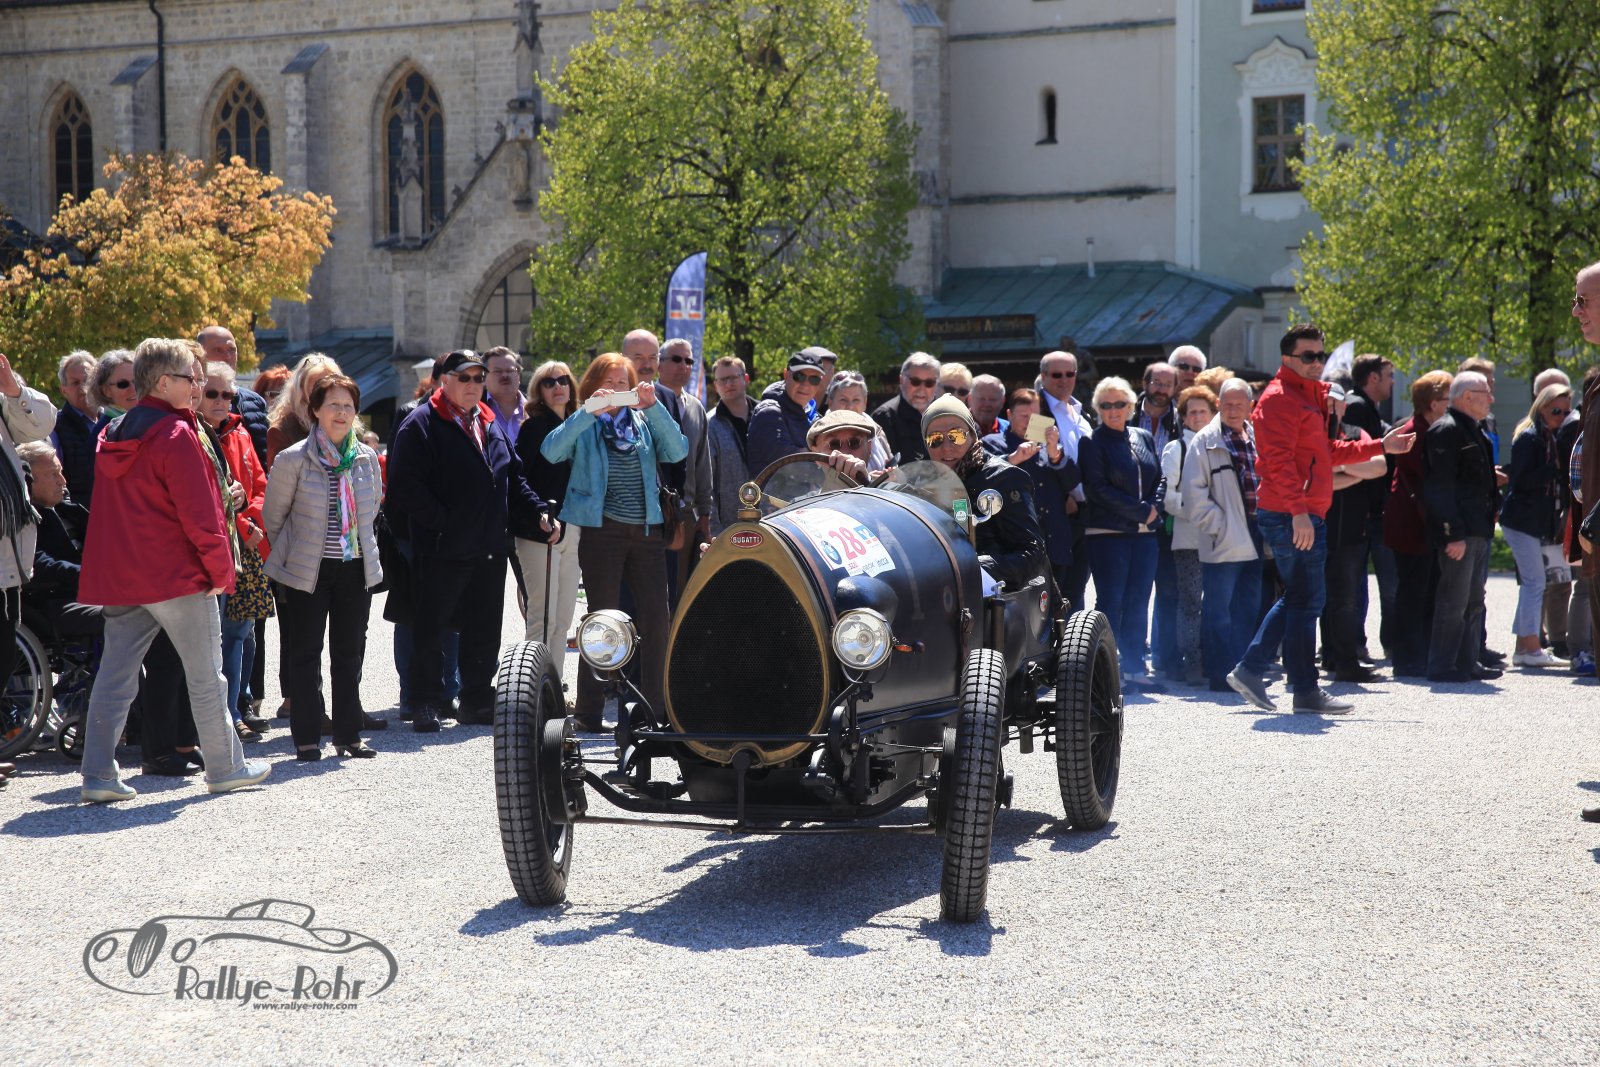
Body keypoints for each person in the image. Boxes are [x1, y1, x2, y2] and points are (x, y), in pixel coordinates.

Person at [78, 337, 270, 802]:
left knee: (115, 676)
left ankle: (97, 775)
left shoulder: (115, 431)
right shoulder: (177, 433)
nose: (198, 386)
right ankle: (226, 768)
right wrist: (221, 571)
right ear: (164, 382)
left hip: (125, 576)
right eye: (191, 378)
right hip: (178, 576)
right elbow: (201, 516)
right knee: (206, 676)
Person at [1225, 324, 1414, 715]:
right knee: (1305, 599)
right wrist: (1299, 512)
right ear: (1287, 358)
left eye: (1320, 355)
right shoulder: (1279, 399)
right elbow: (1277, 462)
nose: (1316, 362)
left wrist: (1382, 445)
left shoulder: (1308, 395)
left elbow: (1326, 451)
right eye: (1308, 356)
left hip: (1303, 511)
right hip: (1291, 513)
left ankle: (1271, 677)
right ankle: (1289, 684)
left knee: (1302, 598)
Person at [387, 349, 553, 732]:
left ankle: (476, 699)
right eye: (464, 377)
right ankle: (425, 701)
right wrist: (444, 523)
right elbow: (404, 486)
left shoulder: (488, 421)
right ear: (444, 381)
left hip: (489, 546)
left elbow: (514, 477)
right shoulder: (421, 422)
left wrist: (538, 511)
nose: (473, 384)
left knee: (484, 627)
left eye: (479, 378)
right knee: (431, 628)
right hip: (441, 547)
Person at [541, 352, 687, 732]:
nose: (617, 389)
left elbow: (677, 450)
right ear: (593, 386)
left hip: (646, 531)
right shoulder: (586, 421)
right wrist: (587, 411)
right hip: (601, 531)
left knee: (657, 619)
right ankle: (589, 712)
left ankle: (656, 712)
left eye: (623, 383)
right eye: (609, 382)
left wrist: (653, 407)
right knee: (601, 618)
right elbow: (551, 451)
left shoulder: (642, 421)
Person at [263, 373, 385, 760]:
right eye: (333, 404)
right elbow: (274, 517)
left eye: (348, 406)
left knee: (348, 655)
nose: (341, 412)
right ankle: (307, 737)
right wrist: (298, 549)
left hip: (354, 567)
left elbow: (371, 510)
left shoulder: (366, 458)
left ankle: (348, 735)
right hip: (307, 570)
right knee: (305, 654)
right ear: (315, 410)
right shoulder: (293, 458)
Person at [199, 361, 274, 741]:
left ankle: (238, 707)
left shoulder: (240, 430)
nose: (220, 400)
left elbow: (259, 484)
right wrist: (245, 527)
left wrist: (252, 524)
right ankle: (225, 716)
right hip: (221, 545)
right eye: (212, 393)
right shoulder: (195, 435)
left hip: (246, 547)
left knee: (244, 634)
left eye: (227, 394)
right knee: (223, 636)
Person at [1079, 376, 1163, 690]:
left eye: (1120, 404)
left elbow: (1160, 478)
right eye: (1106, 405)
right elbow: (1097, 488)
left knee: (1139, 600)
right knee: (1111, 601)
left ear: (1130, 406)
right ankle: (1107, 670)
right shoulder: (1091, 441)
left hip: (1145, 535)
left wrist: (1155, 508)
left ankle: (1135, 668)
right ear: (1097, 409)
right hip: (1107, 534)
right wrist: (1142, 511)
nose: (1113, 410)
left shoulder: (1143, 436)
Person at [1180, 378, 1262, 693]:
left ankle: (1243, 673)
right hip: (1225, 536)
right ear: (1218, 404)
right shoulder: (1205, 441)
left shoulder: (1255, 435)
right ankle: (1220, 675)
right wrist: (1222, 527)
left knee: (1248, 607)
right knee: (1219, 610)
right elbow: (1194, 497)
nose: (1233, 410)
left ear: (1250, 407)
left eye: (1239, 404)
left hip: (1257, 530)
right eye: (1227, 404)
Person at [923, 394, 1049, 597]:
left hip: (996, 599)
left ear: (972, 436)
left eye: (956, 435)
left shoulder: (1004, 478)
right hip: (937, 593)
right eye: (935, 439)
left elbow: (1033, 552)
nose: (946, 446)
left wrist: (978, 568)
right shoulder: (921, 484)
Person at [1422, 371, 1502, 682]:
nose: (1491, 399)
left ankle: (1468, 662)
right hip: (1461, 532)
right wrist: (1452, 533)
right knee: (1453, 601)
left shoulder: (1473, 428)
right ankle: (1442, 665)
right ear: (1467, 397)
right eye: (1486, 393)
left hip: (1477, 528)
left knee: (1473, 600)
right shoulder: (1447, 430)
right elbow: (1439, 488)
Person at [1498, 382, 1573, 669]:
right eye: (1556, 411)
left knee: (1535, 582)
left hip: (1533, 520)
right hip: (1522, 520)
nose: (1561, 417)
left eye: (1566, 412)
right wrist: (1555, 468)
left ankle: (1524, 646)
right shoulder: (1530, 437)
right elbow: (1521, 481)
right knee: (1535, 583)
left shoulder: (1548, 436)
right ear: (1542, 408)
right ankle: (1531, 647)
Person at [1384, 371, 1453, 677]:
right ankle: (1407, 658)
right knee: (1413, 592)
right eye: (1447, 398)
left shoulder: (1430, 429)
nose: (1450, 404)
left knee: (1426, 590)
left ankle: (1421, 654)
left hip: (1423, 523)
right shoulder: (1414, 432)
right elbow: (1426, 478)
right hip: (1412, 524)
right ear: (1433, 403)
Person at [1319, 384, 1389, 683]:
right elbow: (1315, 480)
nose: (1330, 408)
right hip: (1315, 528)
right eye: (1325, 403)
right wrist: (1353, 470)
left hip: (1351, 529)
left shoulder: (1356, 433)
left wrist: (1337, 468)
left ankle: (1346, 661)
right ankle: (1327, 657)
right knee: (1315, 599)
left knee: (1346, 598)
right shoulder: (1310, 434)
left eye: (1335, 403)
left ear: (1344, 407)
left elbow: (1379, 467)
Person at [983, 387, 1077, 601]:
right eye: (1024, 416)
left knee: (1059, 607)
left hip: (1053, 544)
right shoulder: (992, 442)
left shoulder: (1050, 448)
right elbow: (982, 480)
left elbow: (1073, 483)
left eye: (1035, 416)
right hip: (1014, 549)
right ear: (1009, 415)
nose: (1029, 422)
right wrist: (1012, 459)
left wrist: (1055, 455)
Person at [515, 360, 582, 649]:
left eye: (563, 380)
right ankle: (533, 677)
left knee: (563, 622)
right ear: (538, 391)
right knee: (543, 620)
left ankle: (554, 678)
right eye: (549, 382)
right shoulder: (533, 427)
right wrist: (539, 512)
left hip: (574, 528)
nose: (558, 386)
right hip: (540, 530)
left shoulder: (580, 425)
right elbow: (517, 478)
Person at [1160, 384, 1217, 686]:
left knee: (1219, 602)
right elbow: (1168, 498)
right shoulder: (1176, 449)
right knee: (1191, 602)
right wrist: (1205, 510)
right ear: (1183, 417)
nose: (1197, 416)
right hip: (1189, 540)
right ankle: (1192, 662)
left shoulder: (1222, 444)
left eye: (1202, 411)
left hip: (1223, 540)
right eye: (1191, 412)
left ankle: (1216, 659)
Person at [1342, 354, 1398, 662]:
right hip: (1361, 510)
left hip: (1371, 510)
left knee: (1368, 584)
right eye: (1389, 375)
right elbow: (1354, 458)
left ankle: (1371, 645)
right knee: (1355, 585)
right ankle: (1353, 647)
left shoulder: (1367, 407)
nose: (1393, 382)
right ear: (1373, 378)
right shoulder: (1356, 407)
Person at [1137, 361, 1181, 680]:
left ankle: (1165, 658)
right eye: (1156, 382)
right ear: (1145, 383)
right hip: (1129, 514)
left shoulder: (1180, 420)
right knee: (1134, 592)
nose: (1161, 389)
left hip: (1168, 518)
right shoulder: (1123, 412)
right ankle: (1132, 657)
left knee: (1168, 589)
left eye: (1168, 384)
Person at [656, 338, 714, 562]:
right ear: (659, 364)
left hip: (684, 512)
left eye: (689, 361)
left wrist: (705, 512)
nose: (684, 366)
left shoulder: (696, 408)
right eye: (676, 359)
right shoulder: (642, 402)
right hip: (649, 511)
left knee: (682, 581)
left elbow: (702, 463)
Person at [198, 325, 269, 465]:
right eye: (218, 350)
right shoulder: (187, 402)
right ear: (200, 355)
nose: (228, 357)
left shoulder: (255, 401)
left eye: (232, 350)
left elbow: (263, 461)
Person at [747, 350, 824, 474]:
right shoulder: (768, 412)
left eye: (814, 379)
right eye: (799, 376)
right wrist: (820, 458)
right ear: (786, 375)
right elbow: (789, 464)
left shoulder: (814, 418)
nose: (805, 385)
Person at [51, 350, 108, 508]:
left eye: (88, 380)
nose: (83, 387)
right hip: (81, 517)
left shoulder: (113, 421)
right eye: (75, 383)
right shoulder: (55, 427)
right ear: (64, 390)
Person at [266, 353, 342, 467]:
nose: (326, 392)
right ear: (301, 389)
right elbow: (280, 477)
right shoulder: (282, 431)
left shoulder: (344, 423)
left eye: (332, 385)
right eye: (318, 385)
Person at [707, 356, 753, 536]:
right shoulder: (710, 425)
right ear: (715, 385)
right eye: (722, 380)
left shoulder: (765, 416)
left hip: (770, 519)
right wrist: (714, 529)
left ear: (746, 378)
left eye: (733, 377)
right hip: (729, 526)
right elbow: (706, 482)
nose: (728, 384)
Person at [871, 352, 940, 462]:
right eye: (915, 381)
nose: (922, 389)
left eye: (929, 383)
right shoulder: (884, 417)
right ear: (902, 380)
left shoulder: (944, 415)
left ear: (937, 384)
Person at [825, 371, 892, 471]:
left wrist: (890, 473)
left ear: (865, 403)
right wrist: (869, 478)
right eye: (843, 400)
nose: (850, 407)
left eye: (856, 400)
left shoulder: (876, 430)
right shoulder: (821, 435)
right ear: (830, 403)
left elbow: (893, 465)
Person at [484, 346, 528, 442]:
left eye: (510, 370)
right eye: (498, 371)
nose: (504, 375)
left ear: (519, 375)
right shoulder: (474, 411)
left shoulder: (535, 411)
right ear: (484, 377)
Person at [90, 348, 137, 417]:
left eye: (137, 381)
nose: (133, 389)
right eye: (123, 384)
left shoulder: (147, 418)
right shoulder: (108, 424)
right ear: (106, 391)